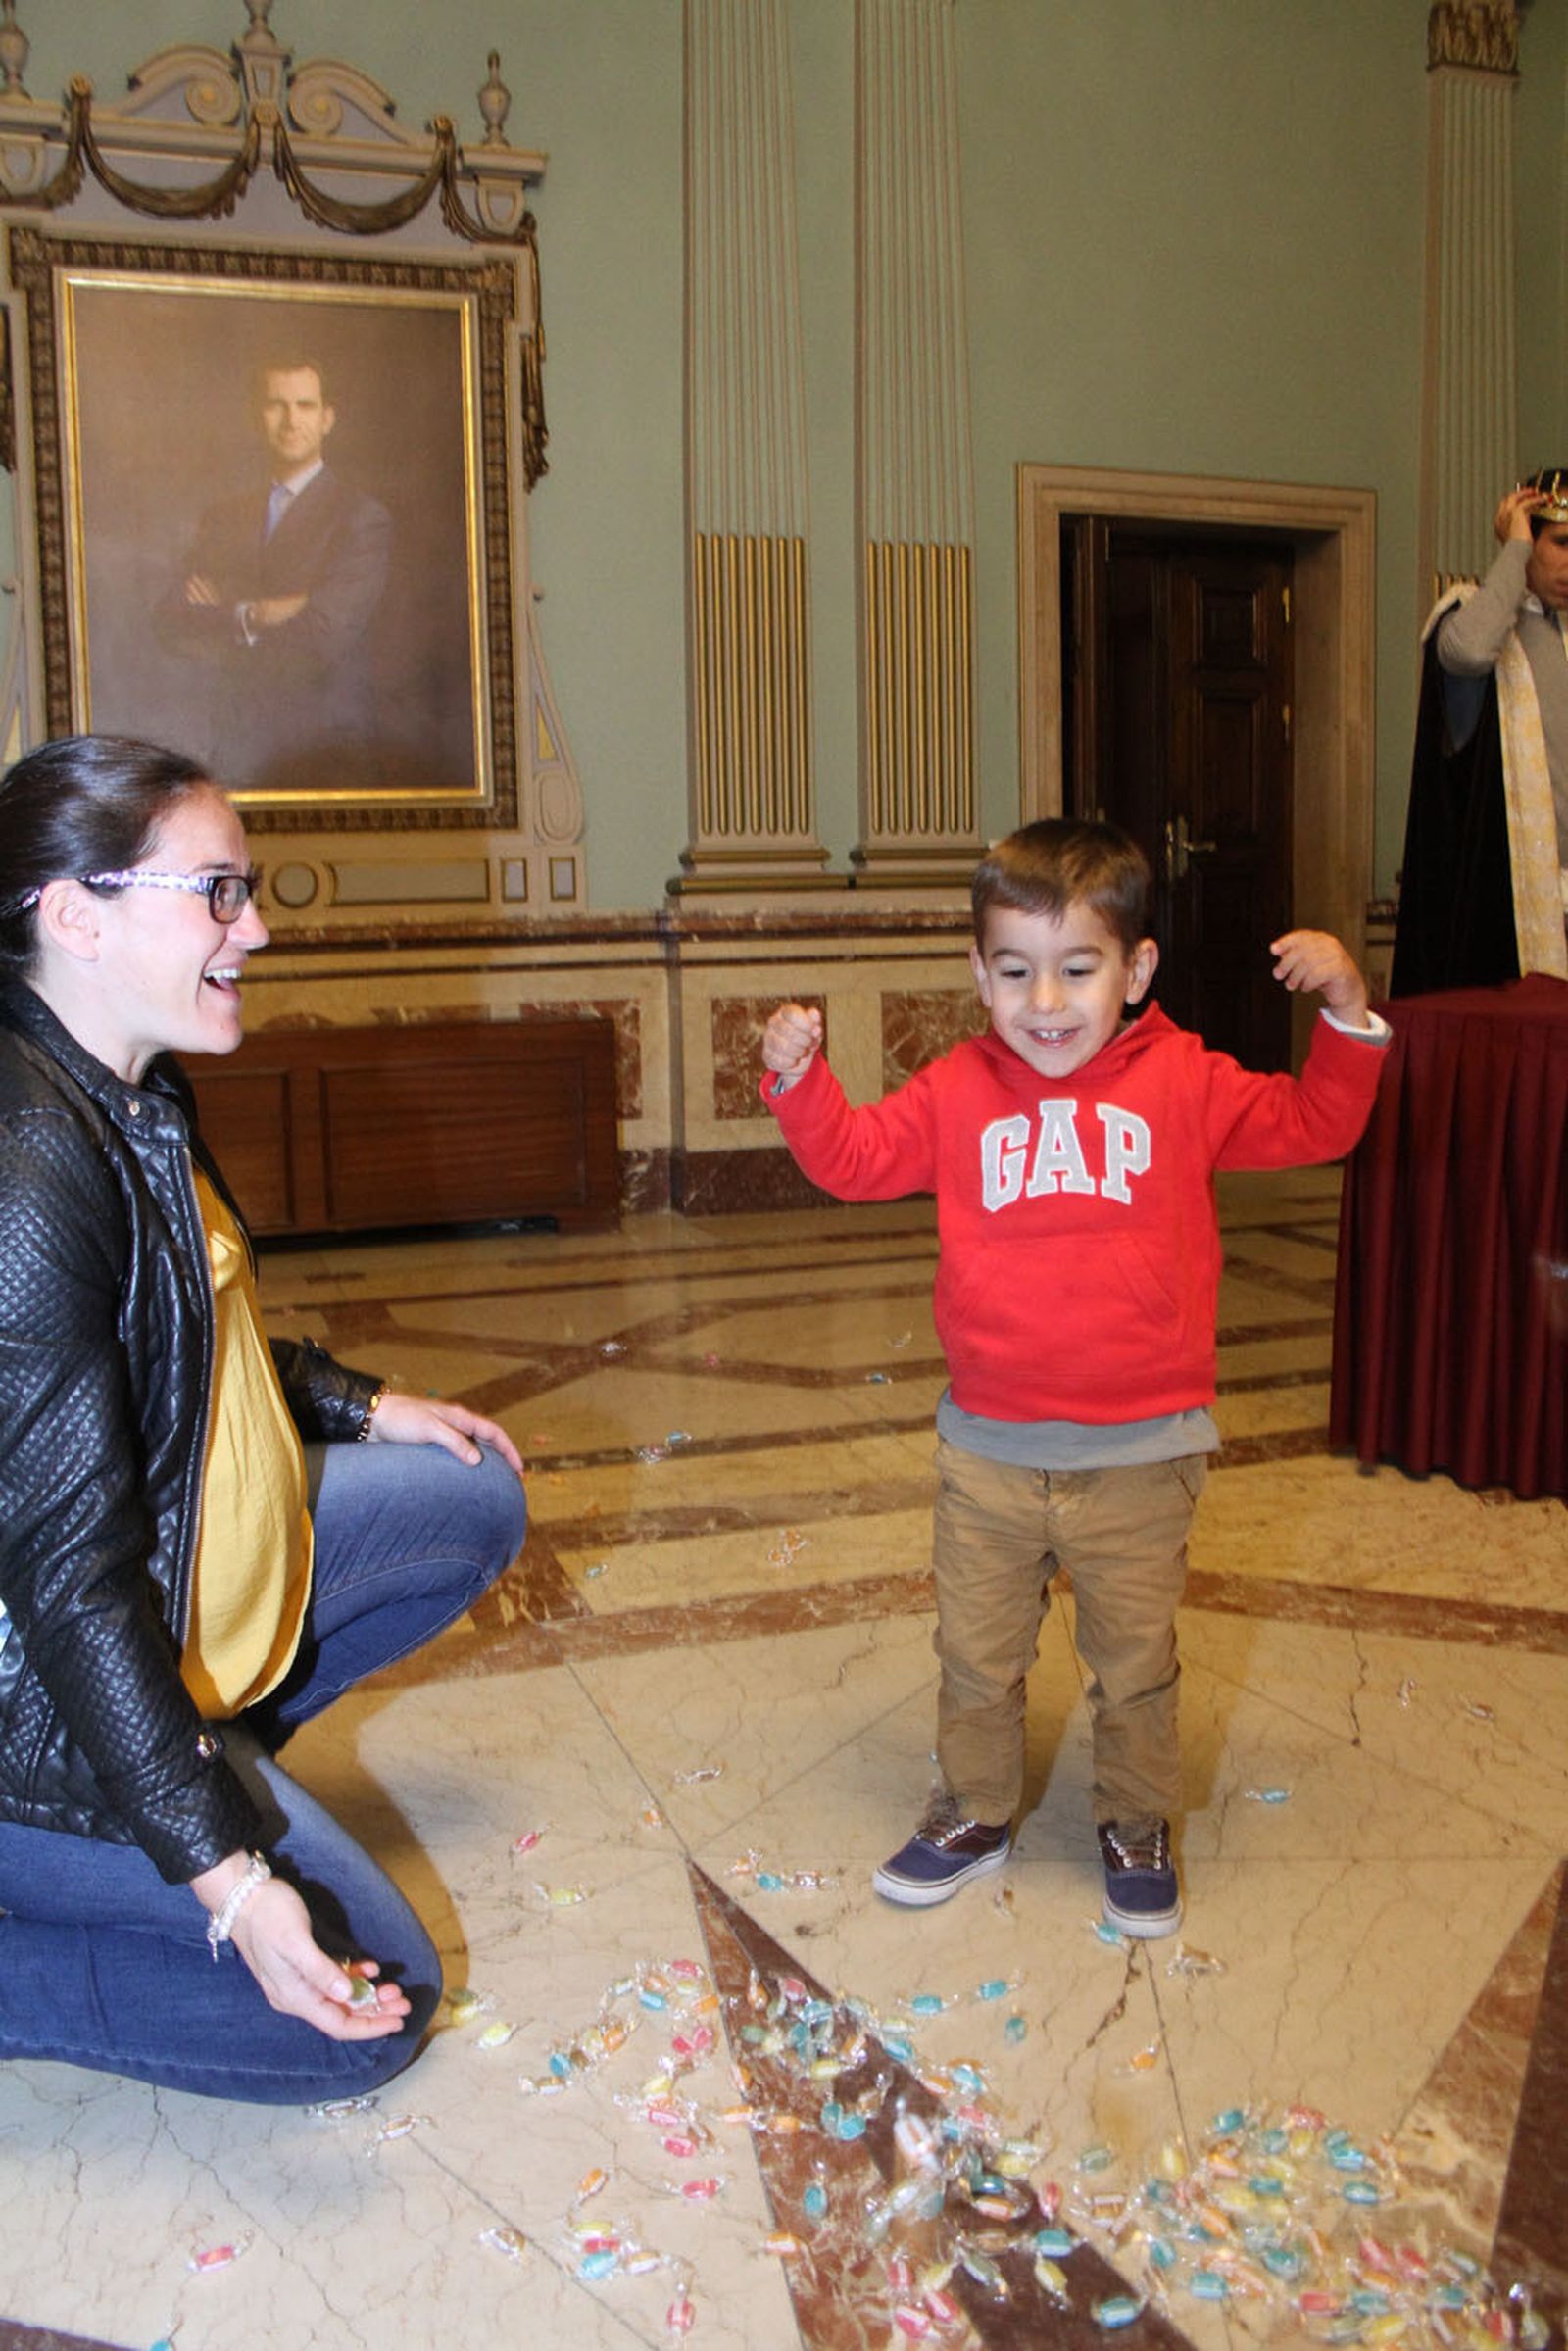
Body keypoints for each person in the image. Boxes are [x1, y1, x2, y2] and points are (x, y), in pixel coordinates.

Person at [0, 734, 526, 2103]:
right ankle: (129, 1836)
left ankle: (202, 1758)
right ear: (74, 913)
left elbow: (182, 1334)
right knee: (370, 2002)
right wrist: (231, 1875)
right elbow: (64, 1584)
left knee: (470, 1491)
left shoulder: (130, 1074)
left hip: (151, 1598)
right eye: (217, 890)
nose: (260, 920)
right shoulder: (27, 1166)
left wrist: (364, 1399)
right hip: (38, 1700)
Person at [761, 820, 1389, 1938]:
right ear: (978, 972)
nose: (1044, 1000)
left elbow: (1315, 1121)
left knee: (1135, 1664)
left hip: (1141, 1453)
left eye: (1078, 967)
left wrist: (1346, 1007)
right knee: (974, 1656)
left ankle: (1136, 1818)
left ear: (1136, 970)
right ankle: (973, 1809)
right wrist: (797, 1080)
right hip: (990, 1449)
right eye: (1014, 970)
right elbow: (852, 1161)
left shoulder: (1184, 1078)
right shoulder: (958, 1087)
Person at [155, 360, 392, 794]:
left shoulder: (360, 518)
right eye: (276, 405)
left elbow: (323, 634)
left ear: (327, 419)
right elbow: (171, 620)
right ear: (257, 416)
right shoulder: (224, 517)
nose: (290, 420)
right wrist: (256, 614)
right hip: (235, 748)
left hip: (323, 750)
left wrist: (223, 614)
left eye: (304, 405)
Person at [1391, 467, 1568, 995]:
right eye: (1559, 543)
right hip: (1509, 891)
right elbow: (1467, 653)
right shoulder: (1471, 614)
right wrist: (1512, 550)